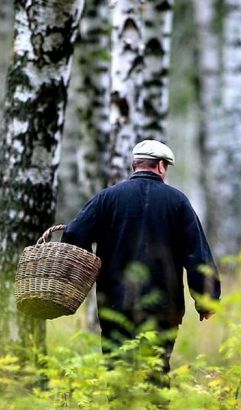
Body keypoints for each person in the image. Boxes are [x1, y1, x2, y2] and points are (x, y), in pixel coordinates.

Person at [61, 139, 220, 373]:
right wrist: (206, 298)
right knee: (155, 371)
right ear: (161, 166)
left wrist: (79, 275)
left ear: (135, 165)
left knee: (117, 371)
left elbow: (73, 234)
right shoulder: (178, 202)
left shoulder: (107, 198)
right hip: (163, 307)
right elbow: (197, 254)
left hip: (114, 303)